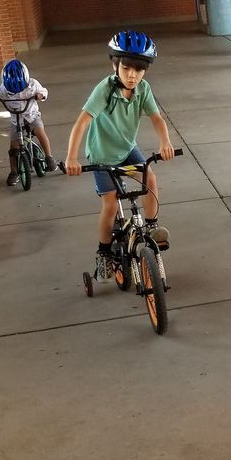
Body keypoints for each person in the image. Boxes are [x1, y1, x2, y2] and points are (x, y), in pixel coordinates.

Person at [64, 30, 175, 280]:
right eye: (126, 68)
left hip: (126, 149)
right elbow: (81, 123)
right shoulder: (104, 89)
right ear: (115, 65)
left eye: (138, 69)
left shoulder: (143, 89)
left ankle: (151, 226)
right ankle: (103, 251)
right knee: (111, 203)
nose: (132, 75)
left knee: (150, 180)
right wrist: (72, 157)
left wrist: (165, 142)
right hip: (102, 156)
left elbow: (157, 118)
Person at [0, 59, 57, 187]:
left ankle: (49, 157)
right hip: (16, 120)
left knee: (40, 132)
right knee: (13, 147)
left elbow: (44, 91)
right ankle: (14, 172)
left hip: (32, 116)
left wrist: (41, 95)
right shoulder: (4, 88)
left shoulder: (33, 84)